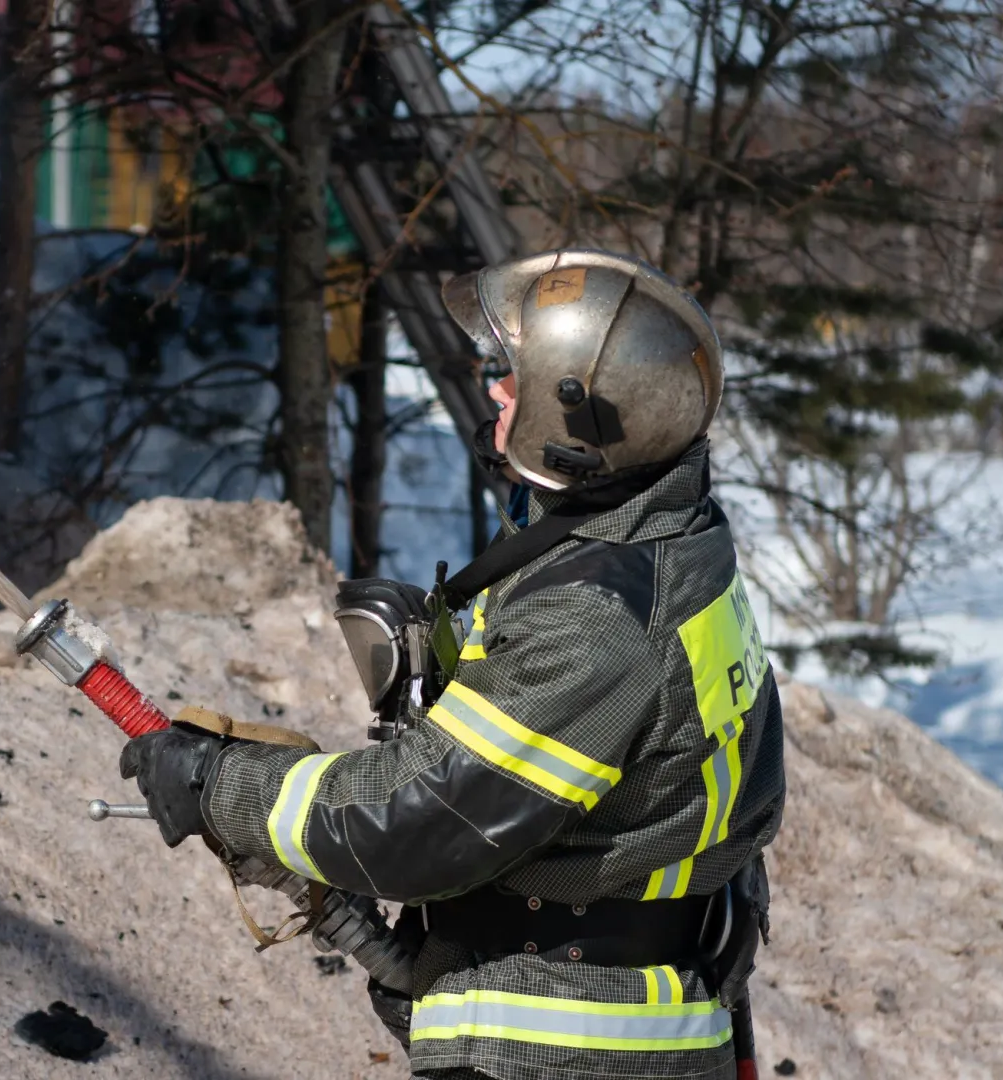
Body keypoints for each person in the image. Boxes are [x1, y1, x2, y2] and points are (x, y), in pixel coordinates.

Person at [119, 249, 785, 1080]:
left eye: (515, 376)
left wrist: (219, 783)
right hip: (625, 1013)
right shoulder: (665, 542)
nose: (496, 389)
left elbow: (416, 823)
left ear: (576, 416)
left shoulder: (591, 618)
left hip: (562, 1047)